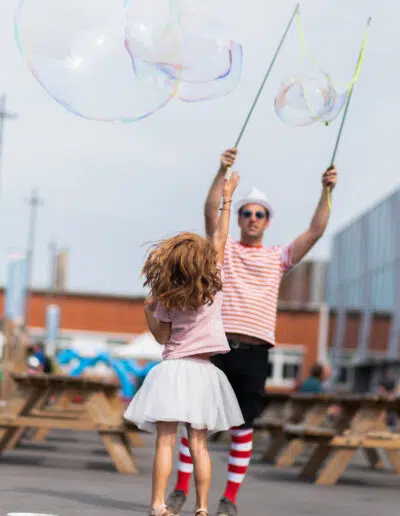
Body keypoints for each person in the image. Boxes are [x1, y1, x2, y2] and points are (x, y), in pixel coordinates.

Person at [167, 148, 338, 516]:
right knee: (196, 422)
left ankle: (229, 499)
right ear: (240, 218)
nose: (252, 219)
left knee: (243, 428)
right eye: (246, 213)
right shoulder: (224, 248)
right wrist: (221, 171)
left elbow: (316, 231)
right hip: (217, 347)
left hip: (256, 353)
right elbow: (210, 211)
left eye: (259, 214)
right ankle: (180, 490)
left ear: (267, 221)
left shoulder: (278, 257)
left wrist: (326, 191)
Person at [124, 173, 244, 516]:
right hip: (204, 373)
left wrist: (148, 312)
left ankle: (158, 504)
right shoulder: (213, 285)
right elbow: (220, 238)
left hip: (173, 371)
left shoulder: (168, 297)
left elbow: (162, 337)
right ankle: (202, 507)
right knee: (199, 444)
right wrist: (227, 199)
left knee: (165, 441)